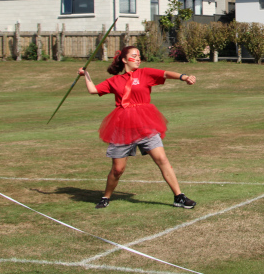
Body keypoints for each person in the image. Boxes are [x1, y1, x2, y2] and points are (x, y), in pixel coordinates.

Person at [78, 45, 197, 210]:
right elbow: (93, 90)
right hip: (122, 127)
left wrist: (184, 77)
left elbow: (165, 74)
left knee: (162, 159)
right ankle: (106, 196)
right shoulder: (114, 81)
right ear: (124, 60)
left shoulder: (145, 73)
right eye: (134, 56)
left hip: (145, 125)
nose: (138, 58)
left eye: (139, 56)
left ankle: (179, 197)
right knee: (118, 170)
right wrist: (86, 75)